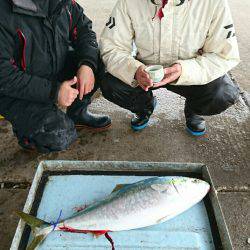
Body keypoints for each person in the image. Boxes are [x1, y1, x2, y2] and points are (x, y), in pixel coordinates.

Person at [99, 0, 240, 135]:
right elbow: (112, 47)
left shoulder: (214, 3)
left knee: (223, 93)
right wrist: (134, 70)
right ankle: (144, 107)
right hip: (146, 73)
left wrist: (185, 70)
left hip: (190, 73)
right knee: (109, 84)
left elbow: (223, 55)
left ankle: (194, 108)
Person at [0, 0, 111, 153]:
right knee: (59, 135)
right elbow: (4, 76)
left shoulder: (65, 3)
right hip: (15, 90)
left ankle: (77, 113)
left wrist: (87, 64)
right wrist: (54, 92)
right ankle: (26, 134)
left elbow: (85, 30)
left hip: (51, 69)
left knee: (97, 60)